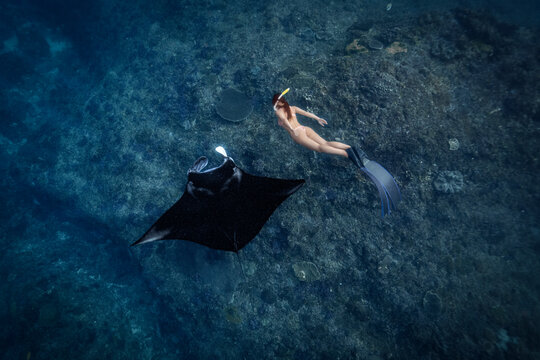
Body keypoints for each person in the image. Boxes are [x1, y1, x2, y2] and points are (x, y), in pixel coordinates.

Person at [272, 92, 351, 158]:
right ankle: (348, 147)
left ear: (277, 102)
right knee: (325, 143)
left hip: (297, 133)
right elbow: (306, 113)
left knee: (319, 148)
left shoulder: (278, 112)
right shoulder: (293, 108)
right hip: (303, 128)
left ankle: (345, 153)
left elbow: (285, 120)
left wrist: (292, 129)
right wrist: (318, 118)